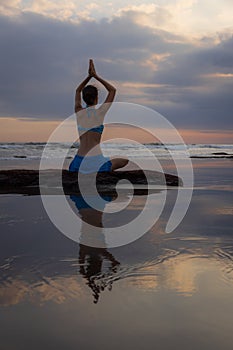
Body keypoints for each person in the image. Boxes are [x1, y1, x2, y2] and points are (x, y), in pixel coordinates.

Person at [69, 59, 128, 173]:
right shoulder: (100, 112)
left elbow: (77, 90)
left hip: (77, 163)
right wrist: (95, 76)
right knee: (125, 160)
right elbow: (112, 90)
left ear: (84, 98)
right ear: (96, 98)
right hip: (95, 162)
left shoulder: (78, 111)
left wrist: (88, 77)